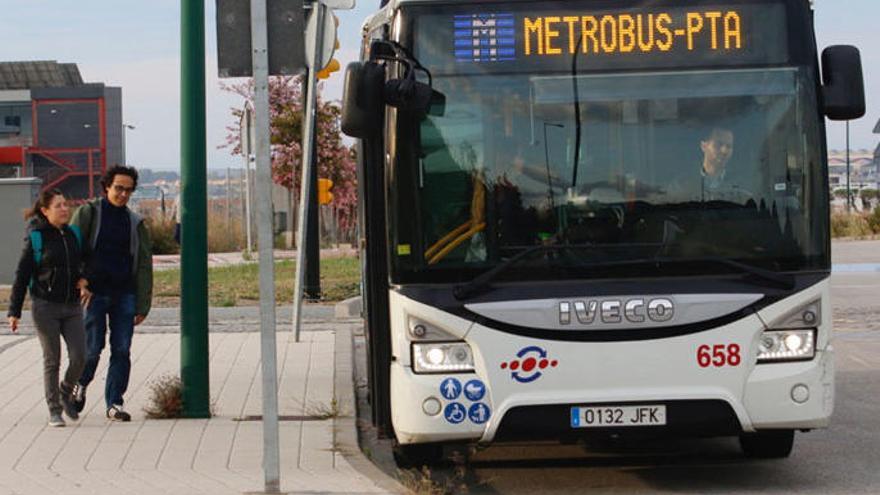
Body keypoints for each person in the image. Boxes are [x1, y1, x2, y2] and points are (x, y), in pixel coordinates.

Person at [71, 165, 153, 422]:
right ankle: (79, 385)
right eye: (119, 188)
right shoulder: (89, 213)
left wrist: (143, 303)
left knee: (122, 349)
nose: (123, 194)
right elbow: (70, 249)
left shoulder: (134, 222)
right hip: (94, 294)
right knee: (93, 349)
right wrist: (79, 282)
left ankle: (114, 403)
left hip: (124, 294)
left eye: (128, 190)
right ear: (107, 186)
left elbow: (143, 264)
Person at [6, 189, 90, 427]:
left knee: (80, 356)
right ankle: (54, 409)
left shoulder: (73, 234)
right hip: (45, 306)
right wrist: (14, 311)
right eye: (59, 206)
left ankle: (66, 391)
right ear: (45, 211)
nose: (65, 209)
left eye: (66, 204)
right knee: (52, 359)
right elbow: (22, 275)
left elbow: (87, 260)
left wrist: (85, 278)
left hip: (73, 306)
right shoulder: (37, 237)